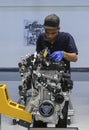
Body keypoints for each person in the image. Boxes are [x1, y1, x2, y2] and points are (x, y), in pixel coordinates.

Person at [33, 14, 78, 128]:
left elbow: (75, 57)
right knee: (39, 115)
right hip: (43, 82)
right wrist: (41, 56)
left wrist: (63, 53)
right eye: (47, 32)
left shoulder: (66, 38)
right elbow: (38, 55)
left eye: (53, 33)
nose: (49, 36)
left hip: (60, 82)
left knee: (61, 115)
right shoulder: (41, 38)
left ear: (58, 29)